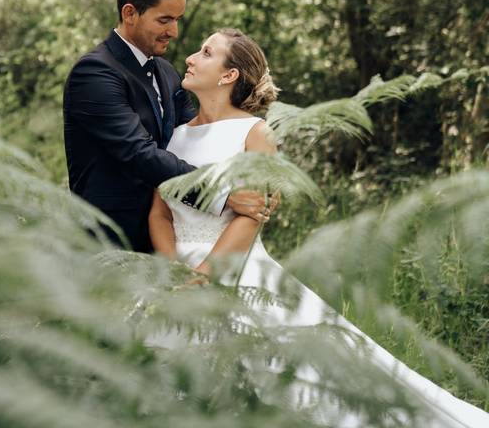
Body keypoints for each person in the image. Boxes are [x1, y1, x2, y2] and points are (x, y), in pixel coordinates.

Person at [149, 28, 489, 427]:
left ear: (229, 76)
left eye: (206, 53)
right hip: (173, 271)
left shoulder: (254, 133)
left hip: (234, 270)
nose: (190, 57)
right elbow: (160, 211)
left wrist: (203, 278)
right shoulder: (175, 135)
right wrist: (171, 269)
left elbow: (251, 217)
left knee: (290, 382)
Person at [63, 0, 270, 253]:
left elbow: (199, 137)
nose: (173, 31)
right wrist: (223, 195)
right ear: (130, 13)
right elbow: (139, 154)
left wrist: (263, 186)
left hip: (167, 241)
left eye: (177, 19)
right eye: (164, 20)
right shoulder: (95, 73)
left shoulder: (167, 72)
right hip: (110, 242)